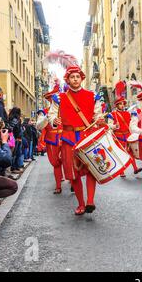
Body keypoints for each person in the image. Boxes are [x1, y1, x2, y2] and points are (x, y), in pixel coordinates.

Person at [48, 65, 105, 215]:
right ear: (67, 79)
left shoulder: (92, 95)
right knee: (73, 175)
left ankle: (90, 201)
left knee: (92, 169)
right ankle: (81, 204)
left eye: (77, 76)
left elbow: (97, 114)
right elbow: (51, 115)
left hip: (88, 137)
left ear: (81, 78)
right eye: (72, 77)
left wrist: (98, 119)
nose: (75, 79)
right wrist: (55, 120)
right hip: (69, 139)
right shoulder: (59, 97)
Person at [37, 86, 66, 194]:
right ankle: (58, 186)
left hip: (65, 138)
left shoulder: (67, 109)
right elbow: (39, 126)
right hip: (52, 141)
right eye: (52, 98)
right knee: (56, 164)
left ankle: (73, 183)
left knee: (69, 162)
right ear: (49, 100)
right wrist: (47, 117)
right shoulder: (44, 112)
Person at [107, 96, 142, 178]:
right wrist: (114, 126)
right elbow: (109, 125)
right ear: (117, 105)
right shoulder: (112, 114)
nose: (122, 105)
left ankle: (135, 168)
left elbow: (132, 125)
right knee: (121, 154)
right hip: (118, 136)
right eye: (120, 104)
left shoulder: (128, 113)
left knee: (131, 152)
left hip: (127, 135)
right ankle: (122, 171)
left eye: (123, 103)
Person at [8, 107, 24, 173]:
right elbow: (15, 128)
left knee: (15, 154)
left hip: (15, 138)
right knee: (15, 154)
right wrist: (18, 137)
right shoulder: (16, 119)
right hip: (16, 138)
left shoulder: (11, 118)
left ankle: (15, 167)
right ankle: (14, 168)